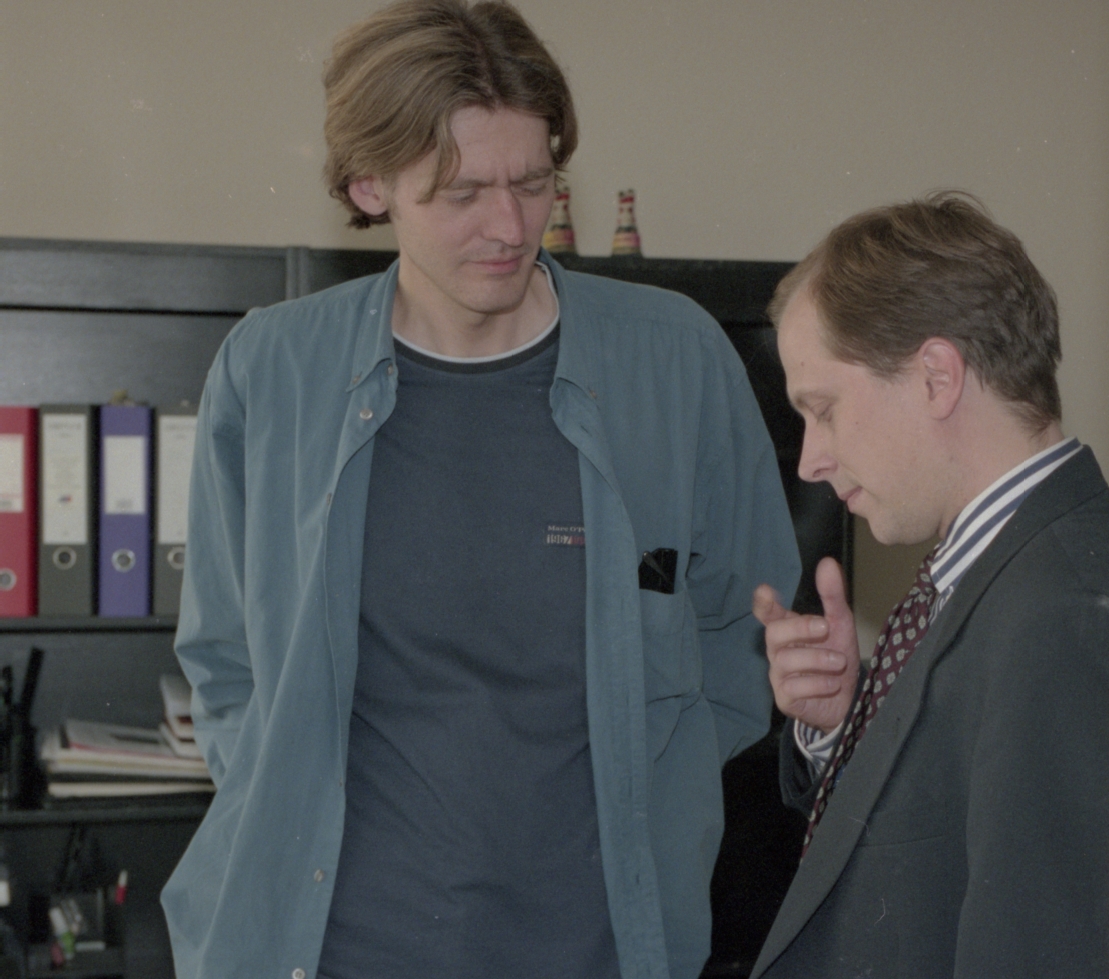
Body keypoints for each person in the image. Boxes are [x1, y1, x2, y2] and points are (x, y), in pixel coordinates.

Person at [161, 3, 799, 978]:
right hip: (331, 948)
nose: (509, 227)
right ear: (369, 185)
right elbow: (226, 661)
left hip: (601, 945)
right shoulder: (271, 369)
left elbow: (741, 634)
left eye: (534, 182)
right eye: (462, 192)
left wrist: (646, 791)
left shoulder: (674, 359)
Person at [747, 193, 1109, 978]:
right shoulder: (1002, 569)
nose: (810, 459)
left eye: (823, 409)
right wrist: (846, 727)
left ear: (937, 376)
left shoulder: (1061, 608)